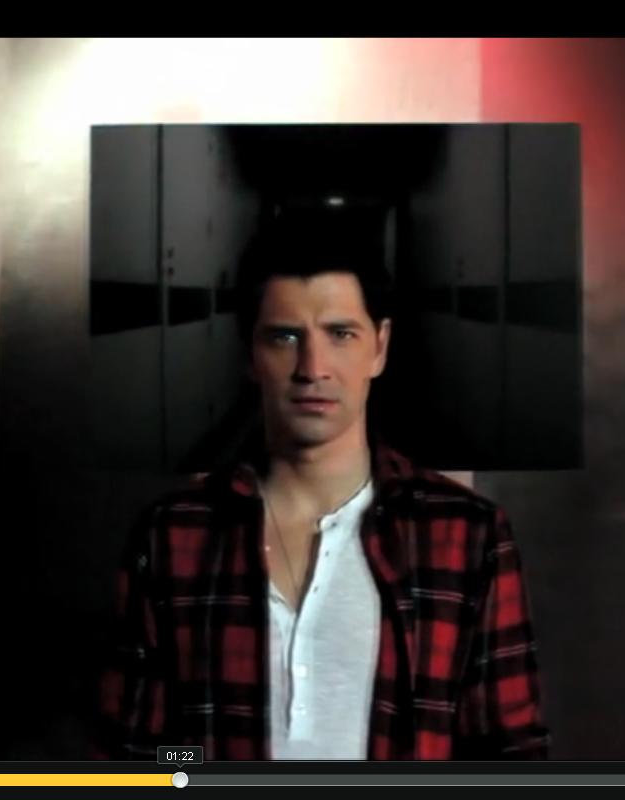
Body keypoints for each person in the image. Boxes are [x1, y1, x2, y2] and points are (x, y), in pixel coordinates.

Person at [91, 210, 549, 760]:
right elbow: (138, 755)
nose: (312, 367)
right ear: (250, 354)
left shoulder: (467, 534)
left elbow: (507, 754)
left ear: (379, 347)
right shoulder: (173, 535)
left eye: (340, 334)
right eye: (285, 337)